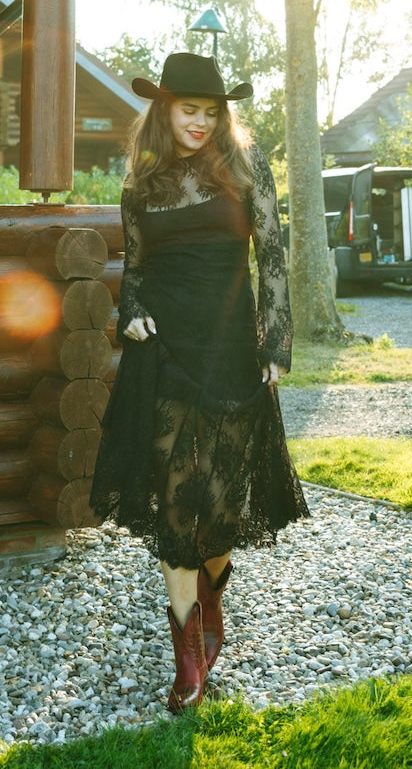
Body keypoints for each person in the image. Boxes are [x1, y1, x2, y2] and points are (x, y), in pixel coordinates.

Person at [90, 52, 309, 713]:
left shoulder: (245, 168)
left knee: (219, 504)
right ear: (164, 109)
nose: (200, 123)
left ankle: (211, 599)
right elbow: (133, 273)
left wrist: (276, 342)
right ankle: (188, 657)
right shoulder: (142, 184)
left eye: (211, 112)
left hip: (231, 352)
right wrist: (130, 313)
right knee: (172, 497)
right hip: (165, 357)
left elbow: (273, 256)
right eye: (189, 110)